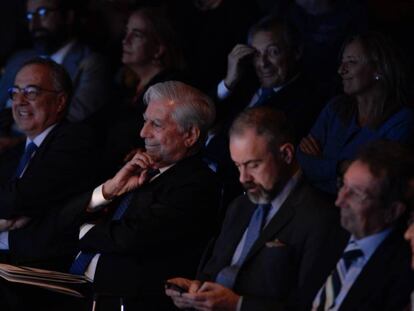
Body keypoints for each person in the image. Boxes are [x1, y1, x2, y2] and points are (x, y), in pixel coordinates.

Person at [42, 80, 219, 311]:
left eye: (156, 124)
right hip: (77, 287)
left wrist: (82, 229)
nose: (143, 132)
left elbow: (131, 236)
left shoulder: (197, 183)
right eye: (145, 121)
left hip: (123, 300)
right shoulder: (138, 167)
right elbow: (61, 218)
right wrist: (109, 190)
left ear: (190, 135)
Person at [166, 107, 343, 311]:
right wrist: (195, 290)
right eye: (238, 166)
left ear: (286, 154)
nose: (243, 178)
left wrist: (237, 305)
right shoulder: (240, 206)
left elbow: (312, 306)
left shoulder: (321, 217)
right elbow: (211, 272)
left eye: (253, 165)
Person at [0, 57, 100, 269]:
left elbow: (23, 197)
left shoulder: (74, 139)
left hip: (39, 268)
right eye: (15, 92)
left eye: (31, 92)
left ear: (60, 101)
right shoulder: (15, 152)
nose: (20, 101)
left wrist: (11, 211)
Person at [298, 31, 414, 194]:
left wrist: (323, 165)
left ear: (378, 70)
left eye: (351, 62)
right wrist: (341, 167)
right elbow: (302, 159)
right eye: (342, 62)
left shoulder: (401, 121)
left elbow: (374, 181)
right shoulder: (335, 108)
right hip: (308, 204)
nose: (341, 70)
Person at [311, 140, 414, 311]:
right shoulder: (332, 231)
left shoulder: (404, 268)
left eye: (356, 194)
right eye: (343, 185)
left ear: (393, 211)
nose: (339, 201)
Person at [0, 0, 111, 151]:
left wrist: (21, 143)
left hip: (43, 149)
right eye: (30, 16)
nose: (35, 22)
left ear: (68, 17)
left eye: (43, 13)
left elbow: (73, 119)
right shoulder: (17, 59)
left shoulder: (91, 63)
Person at [103, 6, 186, 176]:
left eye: (137, 35)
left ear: (158, 49)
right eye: (126, 32)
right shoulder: (125, 87)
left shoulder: (171, 88)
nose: (125, 40)